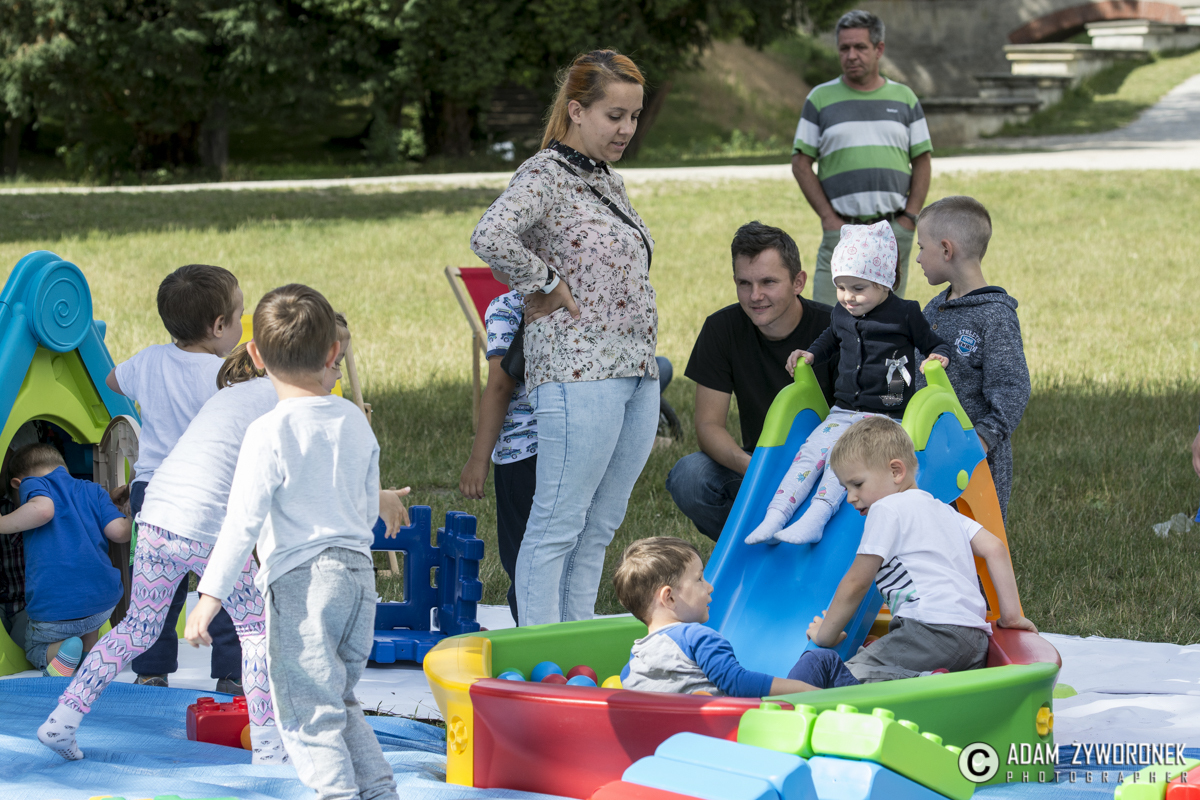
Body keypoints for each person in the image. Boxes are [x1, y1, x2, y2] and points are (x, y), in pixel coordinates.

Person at [186, 284, 399, 800]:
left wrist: (209, 597)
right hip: (358, 578)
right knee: (338, 700)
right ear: (333, 353)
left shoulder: (268, 431)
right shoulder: (353, 419)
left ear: (255, 356)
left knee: (307, 713)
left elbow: (242, 521)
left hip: (304, 586)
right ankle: (379, 792)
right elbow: (364, 499)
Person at [470, 49, 658, 626]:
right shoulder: (545, 174)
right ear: (577, 111)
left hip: (636, 372)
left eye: (634, 116)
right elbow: (490, 235)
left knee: (598, 526)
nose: (626, 129)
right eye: (614, 115)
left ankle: (572, 642)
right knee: (557, 523)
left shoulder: (605, 178)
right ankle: (540, 649)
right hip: (579, 371)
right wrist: (545, 282)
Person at [745, 221, 951, 546]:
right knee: (809, 453)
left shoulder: (905, 314)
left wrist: (938, 356)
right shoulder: (842, 313)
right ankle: (776, 516)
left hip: (884, 417)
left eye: (857, 288)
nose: (848, 297)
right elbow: (830, 338)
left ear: (884, 282)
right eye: (840, 287)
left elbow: (934, 343)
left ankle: (816, 517)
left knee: (841, 460)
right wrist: (811, 354)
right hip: (843, 410)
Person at [790, 417, 1036, 687]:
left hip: (929, 631)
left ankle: (921, 680)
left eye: (857, 484)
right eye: (846, 488)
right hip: (975, 642)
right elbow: (995, 548)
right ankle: (929, 680)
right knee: (882, 656)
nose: (850, 497)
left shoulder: (886, 508)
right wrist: (1011, 617)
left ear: (896, 471)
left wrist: (825, 635)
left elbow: (856, 583)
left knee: (841, 676)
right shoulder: (945, 510)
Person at [107, 263, 245, 691]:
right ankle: (232, 677)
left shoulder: (150, 359)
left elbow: (113, 380)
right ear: (218, 326)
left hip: (151, 491)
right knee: (224, 583)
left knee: (155, 589)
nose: (241, 324)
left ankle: (151, 672)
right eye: (239, 317)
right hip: (207, 493)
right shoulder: (226, 376)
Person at [667, 221, 837, 541]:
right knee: (690, 476)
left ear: (798, 282)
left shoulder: (836, 329)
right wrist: (753, 467)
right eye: (744, 283)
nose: (755, 296)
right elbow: (708, 426)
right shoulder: (721, 329)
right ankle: (752, 550)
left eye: (768, 282)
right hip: (760, 464)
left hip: (830, 471)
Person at [792, 9, 932, 306]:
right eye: (844, 48)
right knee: (829, 317)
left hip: (893, 231)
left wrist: (910, 218)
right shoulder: (819, 99)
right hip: (842, 231)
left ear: (879, 49)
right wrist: (829, 218)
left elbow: (922, 160)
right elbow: (800, 163)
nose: (851, 55)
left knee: (888, 322)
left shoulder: (905, 98)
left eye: (860, 47)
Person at [915, 196, 1030, 521]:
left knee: (976, 537)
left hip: (975, 462)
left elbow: (1012, 387)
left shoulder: (995, 317)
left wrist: (981, 440)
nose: (918, 258)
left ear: (946, 250)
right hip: (929, 451)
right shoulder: (934, 308)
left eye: (922, 248)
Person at [612, 536, 818, 697]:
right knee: (819, 660)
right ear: (670, 597)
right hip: (727, 728)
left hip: (673, 733)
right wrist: (803, 689)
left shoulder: (634, 663)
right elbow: (738, 683)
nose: (710, 587)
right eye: (699, 579)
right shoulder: (696, 638)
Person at [0, 444, 130, 677]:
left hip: (54, 612)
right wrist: (129, 512)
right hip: (103, 604)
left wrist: (2, 523)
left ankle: (61, 651)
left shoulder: (32, 483)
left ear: (17, 484)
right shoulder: (94, 490)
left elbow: (43, 511)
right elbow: (120, 532)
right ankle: (89, 652)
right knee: (88, 614)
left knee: (34, 646)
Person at [460, 290, 536, 623]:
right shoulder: (579, 294)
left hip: (522, 453)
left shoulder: (507, 306)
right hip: (573, 444)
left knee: (522, 553)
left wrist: (478, 459)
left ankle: (531, 631)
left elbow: (501, 384)